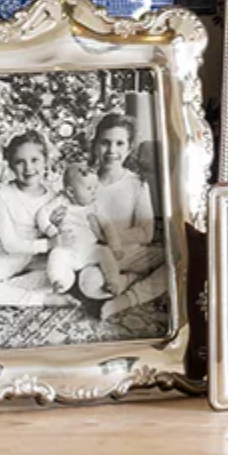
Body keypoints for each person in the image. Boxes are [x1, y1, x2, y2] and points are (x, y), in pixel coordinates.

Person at [57, 109, 164, 324]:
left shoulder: (137, 183)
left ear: (129, 148)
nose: (111, 150)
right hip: (95, 256)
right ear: (94, 145)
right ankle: (128, 282)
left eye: (119, 144)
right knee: (89, 285)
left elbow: (145, 233)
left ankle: (126, 297)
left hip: (129, 252)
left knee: (177, 261)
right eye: (105, 142)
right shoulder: (83, 180)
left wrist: (109, 236)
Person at [0, 131, 59, 289]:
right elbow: (10, 245)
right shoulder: (3, 196)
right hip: (13, 256)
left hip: (42, 258)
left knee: (65, 271)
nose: (28, 168)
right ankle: (39, 298)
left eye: (34, 160)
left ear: (45, 161)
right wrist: (48, 244)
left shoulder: (52, 194)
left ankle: (20, 286)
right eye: (20, 162)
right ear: (11, 165)